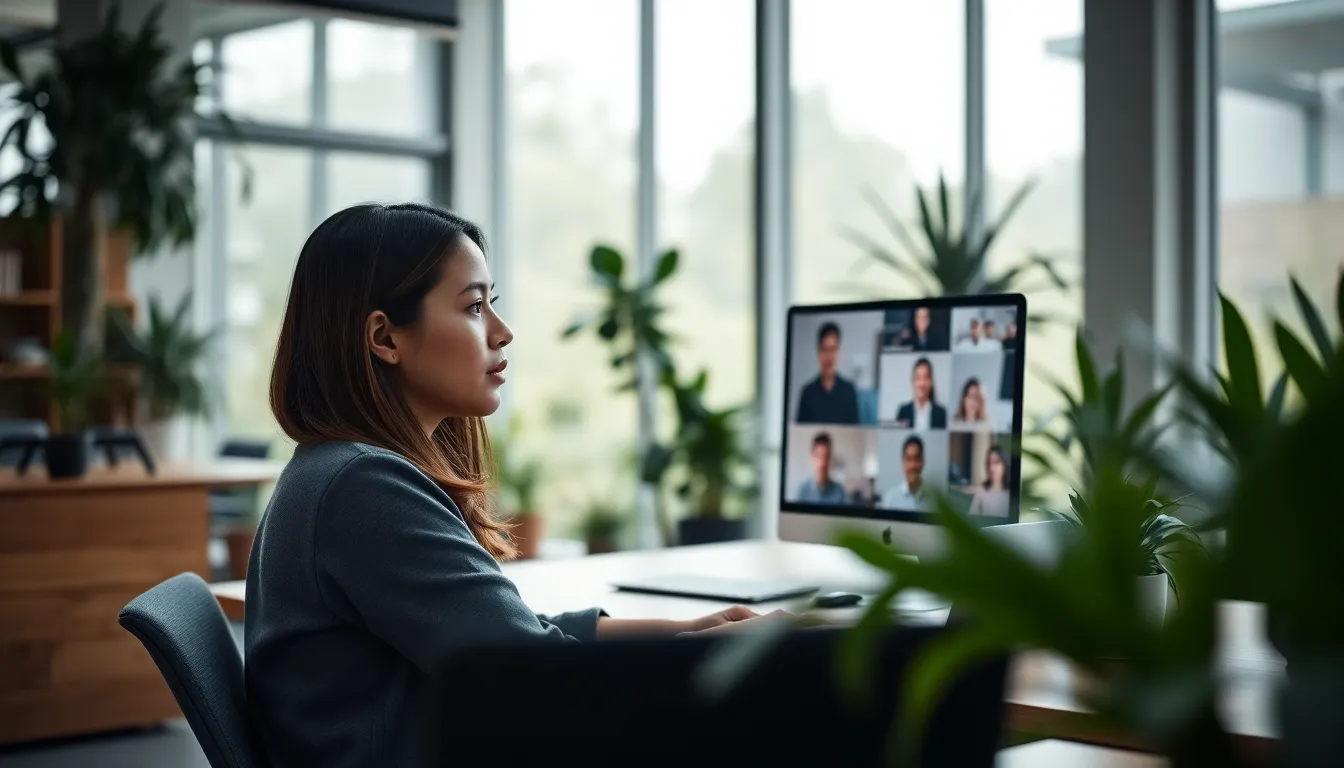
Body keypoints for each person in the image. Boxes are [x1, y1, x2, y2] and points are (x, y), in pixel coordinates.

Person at [246, 203, 784, 767]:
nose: (502, 332)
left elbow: (513, 634)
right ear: (384, 337)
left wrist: (685, 630)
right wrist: (705, 654)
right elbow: (533, 675)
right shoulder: (362, 487)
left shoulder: (336, 470)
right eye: (474, 306)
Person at [795, 321, 860, 424]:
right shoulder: (807, 393)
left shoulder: (849, 391)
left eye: (833, 350)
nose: (829, 357)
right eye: (825, 350)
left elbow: (854, 432)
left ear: (839, 352)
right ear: (818, 352)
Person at [894, 357, 947, 429]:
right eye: (918, 378)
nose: (922, 384)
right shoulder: (903, 411)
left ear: (931, 382)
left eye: (925, 378)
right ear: (912, 382)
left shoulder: (941, 413)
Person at [795, 432, 847, 504]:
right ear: (812, 458)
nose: (822, 463)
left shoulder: (839, 492)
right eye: (818, 456)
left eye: (826, 457)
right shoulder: (802, 491)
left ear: (831, 459)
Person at [881, 435, 927, 510]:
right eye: (909, 459)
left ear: (923, 462)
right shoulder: (891, 498)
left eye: (917, 459)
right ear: (903, 463)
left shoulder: (934, 501)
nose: (913, 465)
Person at [968, 446, 1011, 517]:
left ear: (1005, 465)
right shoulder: (982, 490)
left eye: (996, 462)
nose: (991, 468)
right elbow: (972, 517)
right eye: (989, 463)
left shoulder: (1012, 493)